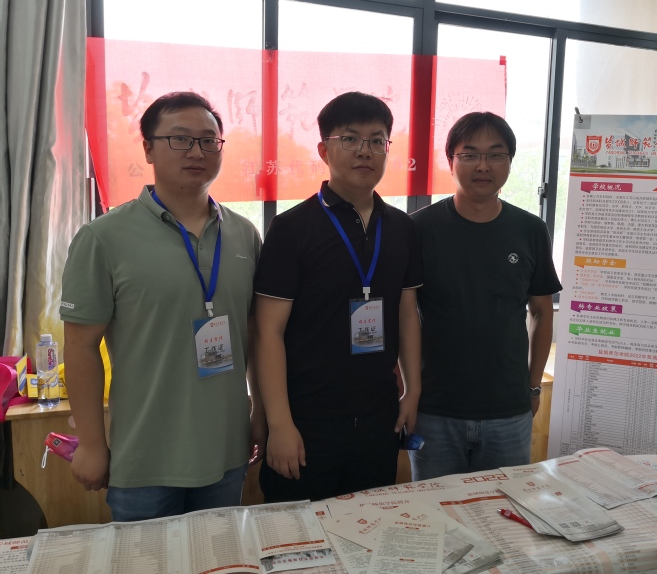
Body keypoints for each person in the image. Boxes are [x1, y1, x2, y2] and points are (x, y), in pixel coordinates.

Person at [60, 91, 265, 521]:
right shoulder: (104, 237)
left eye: (208, 140)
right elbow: (80, 347)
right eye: (180, 139)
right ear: (148, 149)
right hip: (144, 459)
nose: (197, 152)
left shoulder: (245, 234)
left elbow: (256, 337)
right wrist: (93, 445)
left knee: (220, 555)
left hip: (227, 451)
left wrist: (260, 415)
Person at [254, 91, 421, 502]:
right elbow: (267, 332)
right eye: (350, 138)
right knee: (298, 534)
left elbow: (407, 314)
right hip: (307, 421)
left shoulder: (401, 228)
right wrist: (280, 424)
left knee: (371, 527)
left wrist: (412, 391)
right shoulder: (291, 229)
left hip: (379, 418)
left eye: (377, 140)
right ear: (323, 150)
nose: (365, 151)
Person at [409, 112, 562, 481]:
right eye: (470, 154)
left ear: (509, 162)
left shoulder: (530, 230)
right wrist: (409, 390)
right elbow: (404, 314)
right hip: (434, 410)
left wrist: (533, 386)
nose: (483, 166)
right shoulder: (418, 228)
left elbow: (542, 312)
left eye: (495, 154)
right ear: (450, 162)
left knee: (504, 508)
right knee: (434, 510)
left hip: (508, 410)